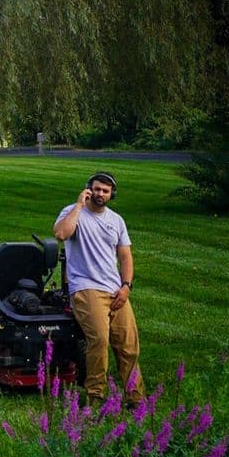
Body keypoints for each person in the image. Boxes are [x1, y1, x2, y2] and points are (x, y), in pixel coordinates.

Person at [53, 172, 144, 410]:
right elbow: (61, 234)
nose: (100, 194)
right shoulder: (72, 212)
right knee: (99, 341)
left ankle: (135, 399)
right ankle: (96, 397)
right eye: (96, 189)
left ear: (111, 194)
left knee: (129, 345)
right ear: (88, 190)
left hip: (115, 290)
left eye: (105, 190)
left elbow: (125, 255)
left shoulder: (117, 221)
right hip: (86, 288)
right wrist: (78, 205)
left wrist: (126, 286)